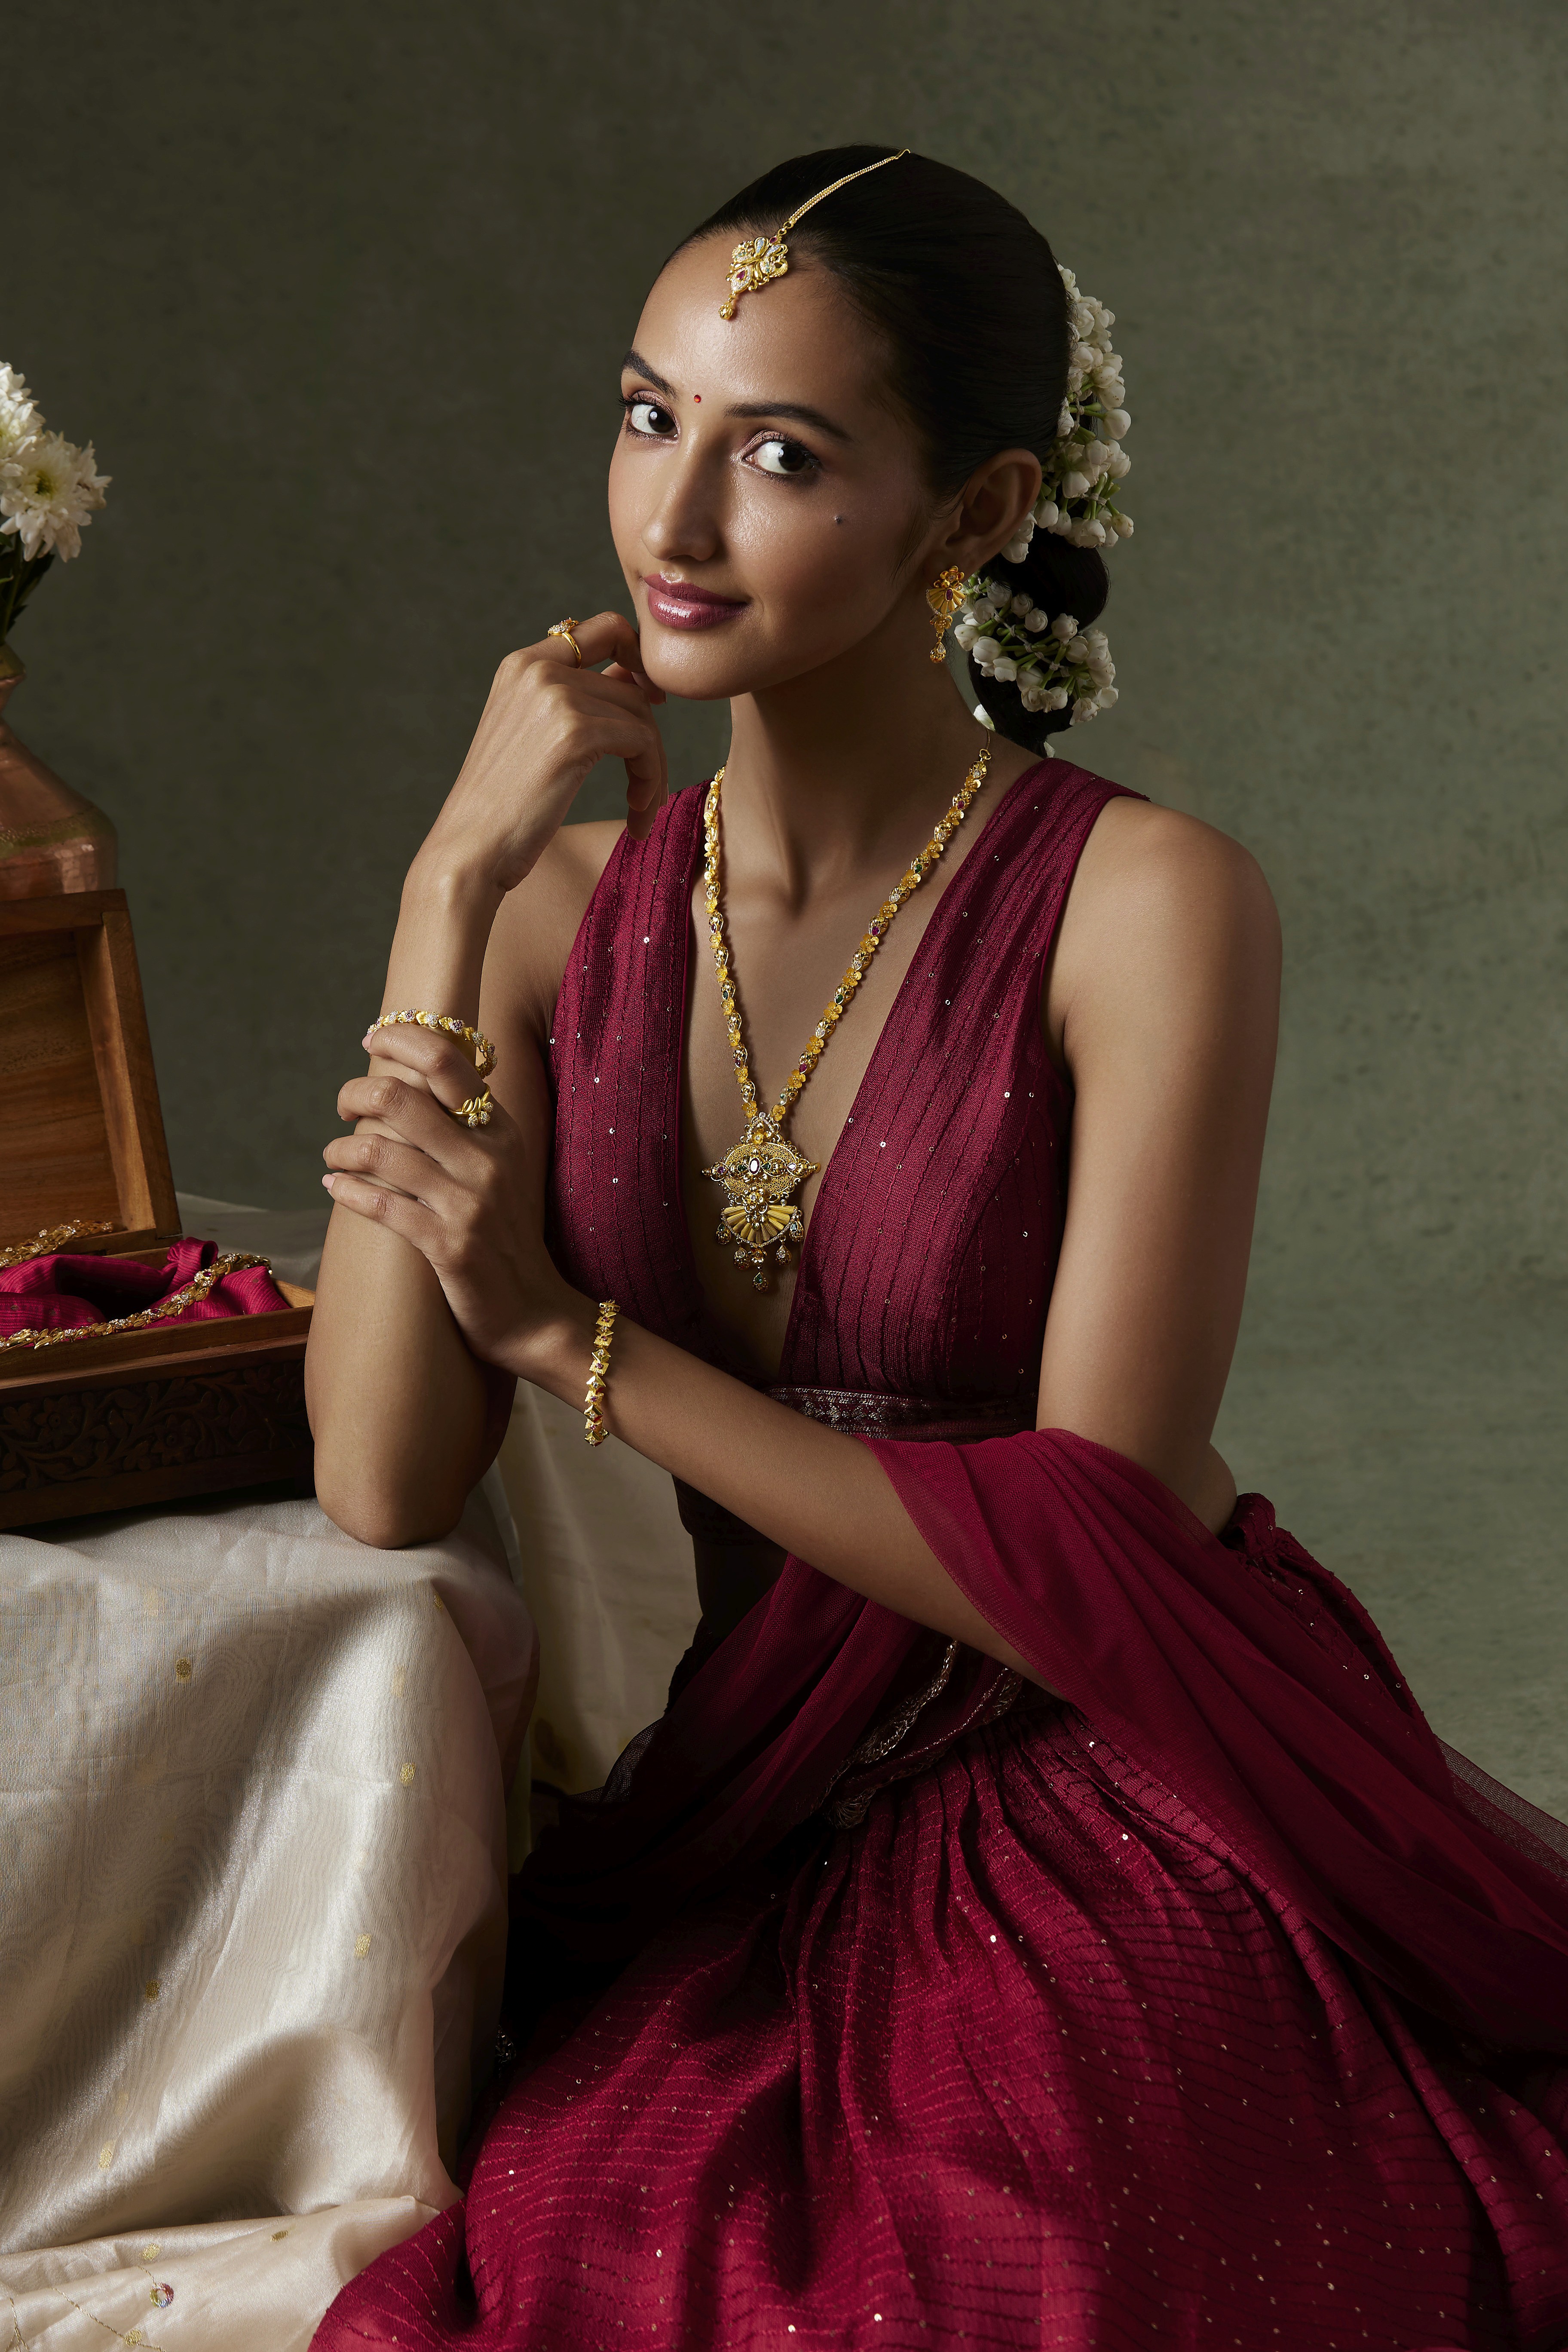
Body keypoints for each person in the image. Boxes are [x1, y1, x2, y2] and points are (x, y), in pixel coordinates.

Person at [304, 147, 1568, 2350]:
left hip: (1119, 1759)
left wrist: (572, 1338)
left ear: (974, 518)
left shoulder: (1149, 906)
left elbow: (1096, 1527)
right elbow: (383, 1481)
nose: (672, 525)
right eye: (645, 417)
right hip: (754, 1816)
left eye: (780, 455)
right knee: (620, 2245)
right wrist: (439, 885)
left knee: (1037, 2257)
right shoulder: (550, 912)